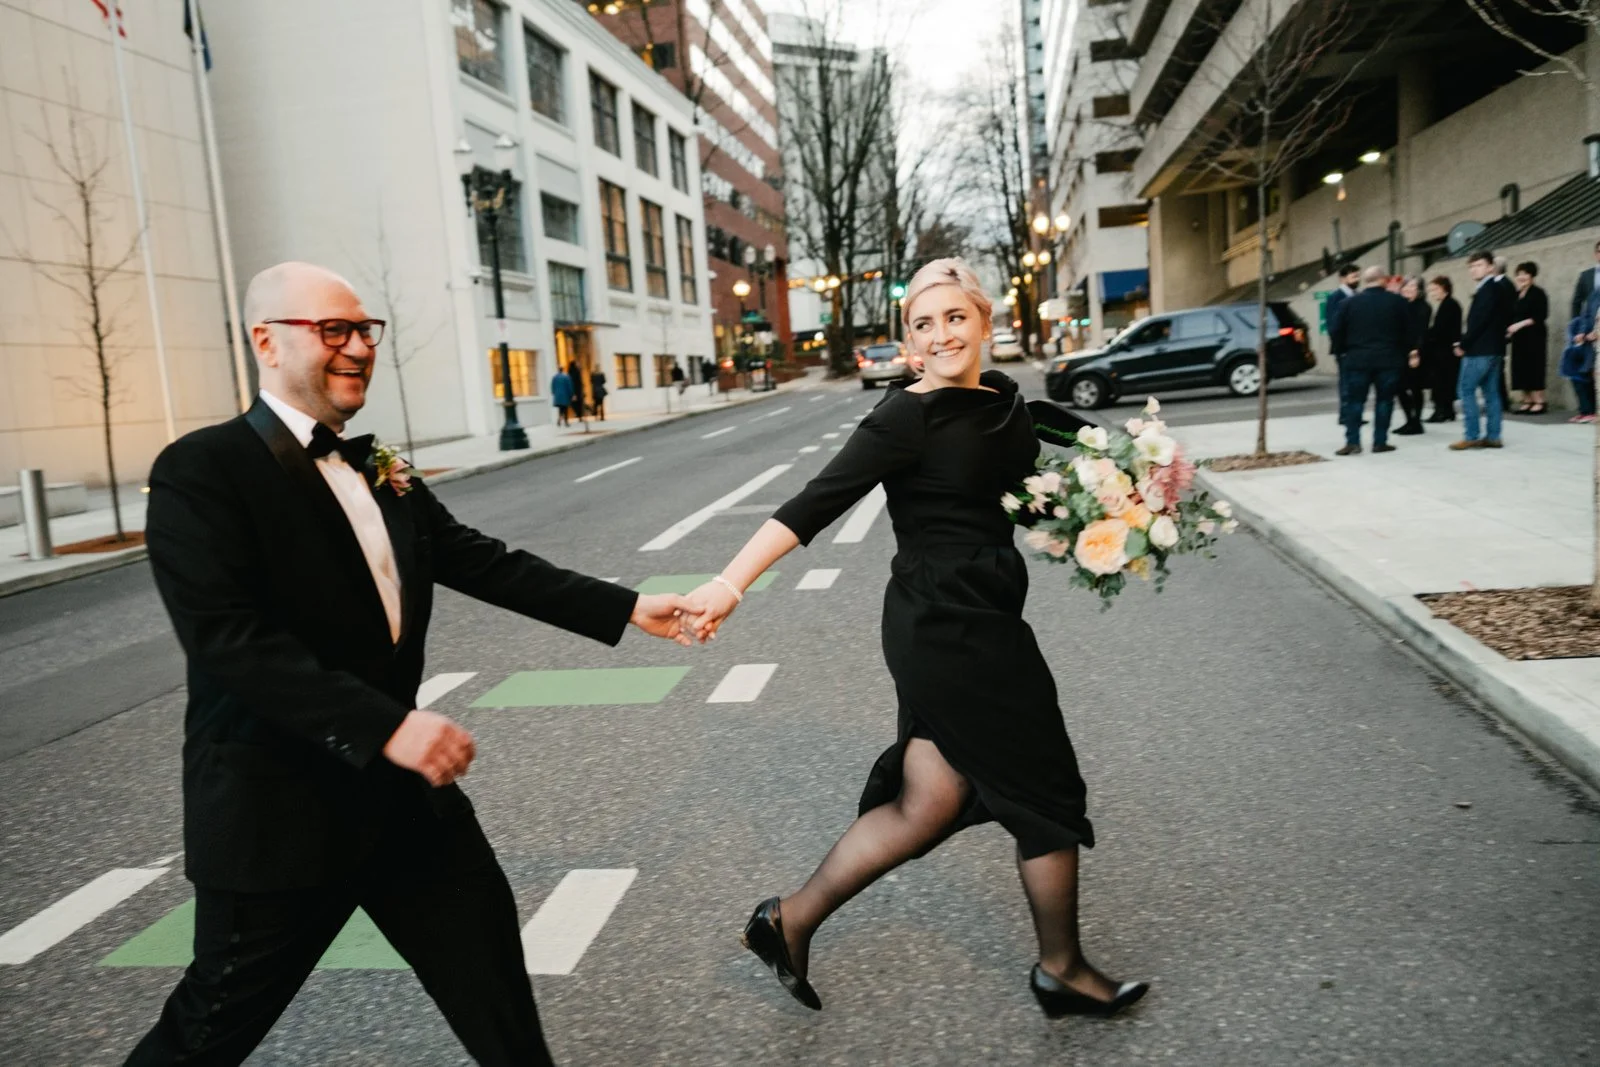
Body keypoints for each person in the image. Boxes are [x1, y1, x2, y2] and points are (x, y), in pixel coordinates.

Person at [126, 262, 697, 1067]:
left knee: (493, 984)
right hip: (280, 815)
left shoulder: (377, 465)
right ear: (266, 340)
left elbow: (480, 560)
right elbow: (229, 641)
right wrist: (386, 726)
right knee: (209, 1028)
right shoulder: (202, 470)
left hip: (404, 810)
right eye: (334, 329)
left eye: (365, 329)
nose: (358, 346)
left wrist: (629, 606)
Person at [683, 258, 1149, 1020]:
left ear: (984, 320)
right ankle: (1061, 967)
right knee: (1045, 786)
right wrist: (728, 584)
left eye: (954, 317)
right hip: (941, 624)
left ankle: (787, 920)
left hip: (989, 611)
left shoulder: (1005, 405)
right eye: (922, 324)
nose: (940, 335)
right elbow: (813, 502)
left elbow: (1022, 508)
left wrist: (1119, 516)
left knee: (929, 802)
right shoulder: (907, 415)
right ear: (908, 341)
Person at [1330, 265, 1412, 455]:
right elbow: (1408, 330)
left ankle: (1353, 442)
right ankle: (1380, 442)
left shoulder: (1348, 304)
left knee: (1355, 402)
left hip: (1357, 359)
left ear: (1366, 281)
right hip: (1389, 358)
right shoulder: (1398, 302)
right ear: (1383, 280)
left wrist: (1343, 351)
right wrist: (1402, 351)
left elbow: (1336, 331)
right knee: (1384, 401)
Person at [1451, 250, 1512, 450]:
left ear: (1490, 268)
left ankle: (1472, 435)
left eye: (1478, 265)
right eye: (1471, 266)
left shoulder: (1488, 289)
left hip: (1480, 350)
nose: (1474, 269)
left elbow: (1478, 322)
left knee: (1466, 390)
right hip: (1494, 349)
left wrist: (1463, 344)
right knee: (1491, 393)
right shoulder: (1498, 288)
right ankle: (1493, 436)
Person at [1507, 262, 1549, 414]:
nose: (1521, 277)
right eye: (1519, 274)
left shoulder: (1538, 293)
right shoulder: (1517, 294)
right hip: (1519, 338)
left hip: (1534, 336)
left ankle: (1540, 401)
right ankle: (1527, 400)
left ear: (1532, 276)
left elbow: (1540, 316)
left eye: (1525, 274)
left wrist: (1519, 325)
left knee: (1534, 367)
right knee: (1520, 368)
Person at [1394, 276, 1432, 435]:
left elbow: (1420, 331)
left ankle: (1416, 423)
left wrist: (1415, 352)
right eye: (1406, 286)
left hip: (1415, 353)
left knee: (1415, 388)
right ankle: (1409, 420)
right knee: (1400, 387)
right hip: (1400, 351)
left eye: (1412, 287)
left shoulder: (1423, 307)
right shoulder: (1402, 305)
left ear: (1419, 290)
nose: (1408, 289)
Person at [1326, 262, 1362, 427]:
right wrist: (1341, 347)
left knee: (1356, 382)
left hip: (1358, 347)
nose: (1357, 279)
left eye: (1358, 276)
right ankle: (1345, 415)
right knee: (1346, 382)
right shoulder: (1336, 297)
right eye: (1354, 276)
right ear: (1343, 278)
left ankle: (1354, 414)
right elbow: (1333, 326)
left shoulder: (1358, 295)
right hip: (1345, 348)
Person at [1423, 276, 1463, 422]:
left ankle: (1440, 411)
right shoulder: (1448, 304)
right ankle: (1447, 411)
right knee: (1445, 381)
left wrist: (1426, 335)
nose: (1432, 293)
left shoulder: (1449, 305)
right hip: (1444, 350)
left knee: (1441, 381)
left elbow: (1442, 329)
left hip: (1444, 350)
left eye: (1435, 289)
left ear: (1444, 288)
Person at [1569, 239, 1600, 320]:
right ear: (1596, 254)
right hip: (1592, 325)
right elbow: (1576, 302)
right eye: (1599, 251)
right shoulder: (1585, 276)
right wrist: (1576, 324)